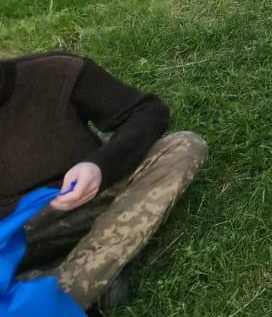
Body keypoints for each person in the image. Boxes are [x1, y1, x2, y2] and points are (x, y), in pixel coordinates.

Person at [1, 51, 207, 310]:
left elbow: (147, 111)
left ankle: (62, 287)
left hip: (92, 198)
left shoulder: (58, 72)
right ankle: (89, 282)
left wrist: (99, 166)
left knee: (183, 147)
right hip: (14, 237)